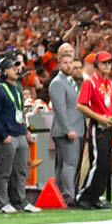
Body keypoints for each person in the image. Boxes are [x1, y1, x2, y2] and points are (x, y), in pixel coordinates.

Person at [74, 51, 112, 210]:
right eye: (104, 63)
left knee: (104, 164)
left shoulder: (109, 84)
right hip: (97, 126)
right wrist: (99, 118)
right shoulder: (90, 83)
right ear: (96, 65)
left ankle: (95, 196)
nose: (108, 65)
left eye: (109, 63)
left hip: (107, 126)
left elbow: (110, 108)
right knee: (97, 162)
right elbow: (80, 105)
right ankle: (84, 196)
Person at [0, 50, 34, 214]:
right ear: (4, 70)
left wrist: (26, 130)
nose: (17, 68)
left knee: (20, 171)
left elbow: (20, 112)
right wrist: (3, 135)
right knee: (5, 172)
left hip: (19, 134)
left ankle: (20, 201)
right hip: (7, 136)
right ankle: (3, 202)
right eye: (12, 66)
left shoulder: (17, 88)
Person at [48, 53, 84, 204]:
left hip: (71, 128)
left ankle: (59, 195)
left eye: (71, 63)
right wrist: (68, 129)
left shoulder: (69, 82)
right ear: (59, 64)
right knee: (70, 164)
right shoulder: (57, 83)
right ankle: (69, 196)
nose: (69, 66)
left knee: (63, 165)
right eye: (65, 63)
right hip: (67, 130)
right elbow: (59, 109)